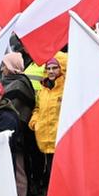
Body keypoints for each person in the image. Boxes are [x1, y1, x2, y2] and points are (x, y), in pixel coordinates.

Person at [30, 53, 69, 188]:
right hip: (45, 139)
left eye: (54, 68)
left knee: (62, 176)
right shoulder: (43, 89)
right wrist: (35, 123)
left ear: (61, 68)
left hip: (61, 140)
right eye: (48, 68)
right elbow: (37, 108)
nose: (51, 71)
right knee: (50, 174)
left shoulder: (68, 88)